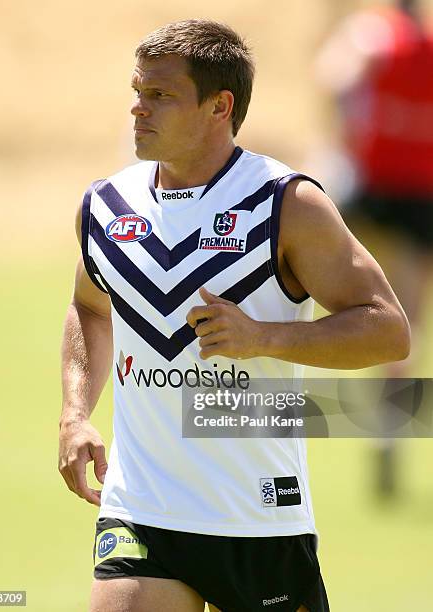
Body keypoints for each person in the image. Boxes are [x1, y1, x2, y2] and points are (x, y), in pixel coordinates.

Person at [59, 19, 410, 612]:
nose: (138, 109)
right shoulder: (106, 206)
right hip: (142, 510)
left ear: (219, 106)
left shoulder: (286, 205)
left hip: (257, 519)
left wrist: (262, 337)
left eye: (160, 95)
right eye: (137, 92)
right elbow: (89, 307)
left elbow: (386, 328)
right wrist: (74, 413)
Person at [315, 0, 433, 496]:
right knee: (407, 317)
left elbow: (334, 78)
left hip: (375, 188)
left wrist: (347, 134)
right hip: (421, 192)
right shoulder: (425, 47)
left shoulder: (371, 34)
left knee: (358, 295)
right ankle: (390, 424)